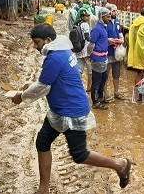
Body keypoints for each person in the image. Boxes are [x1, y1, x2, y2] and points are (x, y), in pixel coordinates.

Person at [12, 24, 131, 193]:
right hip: (61, 110)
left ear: (48, 40)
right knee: (42, 142)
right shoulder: (62, 52)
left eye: (37, 42)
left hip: (71, 112)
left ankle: (120, 164)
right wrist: (31, 85)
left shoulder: (54, 58)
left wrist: (21, 96)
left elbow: (44, 87)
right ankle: (43, 188)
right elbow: (54, 81)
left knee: (79, 154)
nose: (35, 46)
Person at [88, 7, 111, 110]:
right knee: (96, 81)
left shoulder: (103, 27)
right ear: (102, 17)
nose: (109, 18)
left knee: (103, 79)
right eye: (107, 16)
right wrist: (89, 56)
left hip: (103, 58)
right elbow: (91, 44)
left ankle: (100, 98)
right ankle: (95, 101)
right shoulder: (97, 29)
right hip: (97, 59)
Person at [127, 8, 144, 88]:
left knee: (139, 73)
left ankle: (137, 92)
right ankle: (142, 94)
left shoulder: (134, 24)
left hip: (136, 53)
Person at [105, 4, 126, 100]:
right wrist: (108, 40)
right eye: (113, 11)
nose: (115, 12)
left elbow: (120, 32)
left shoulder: (117, 22)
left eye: (116, 11)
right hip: (107, 52)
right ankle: (105, 93)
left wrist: (121, 38)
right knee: (105, 74)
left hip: (116, 53)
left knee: (117, 74)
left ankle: (116, 92)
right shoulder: (105, 23)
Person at [75, 9, 93, 92]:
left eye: (88, 15)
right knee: (90, 69)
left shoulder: (77, 24)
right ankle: (89, 87)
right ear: (82, 17)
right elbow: (87, 37)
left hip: (78, 49)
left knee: (79, 69)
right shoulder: (85, 24)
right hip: (85, 50)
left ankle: (78, 86)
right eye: (86, 16)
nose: (88, 17)